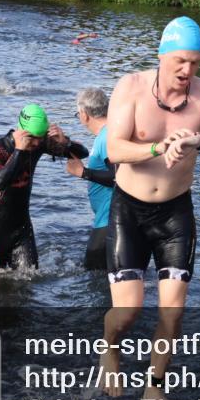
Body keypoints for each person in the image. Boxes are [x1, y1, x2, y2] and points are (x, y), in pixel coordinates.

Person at [99, 16, 200, 400]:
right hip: (128, 212)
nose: (188, 70)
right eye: (181, 61)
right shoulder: (130, 87)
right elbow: (114, 150)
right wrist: (158, 147)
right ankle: (110, 349)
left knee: (172, 312)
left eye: (195, 62)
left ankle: (154, 387)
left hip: (175, 214)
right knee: (127, 314)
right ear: (162, 55)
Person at [0, 104, 87, 270]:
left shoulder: (38, 144)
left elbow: (82, 153)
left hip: (22, 230)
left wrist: (65, 142)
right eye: (32, 137)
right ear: (21, 130)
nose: (36, 143)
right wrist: (19, 151)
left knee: (28, 282)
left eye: (40, 137)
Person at [66, 88, 116, 270]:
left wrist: (84, 173)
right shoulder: (108, 133)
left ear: (84, 115)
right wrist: (64, 143)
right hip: (109, 218)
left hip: (110, 219)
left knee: (93, 271)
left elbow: (119, 176)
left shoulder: (107, 137)